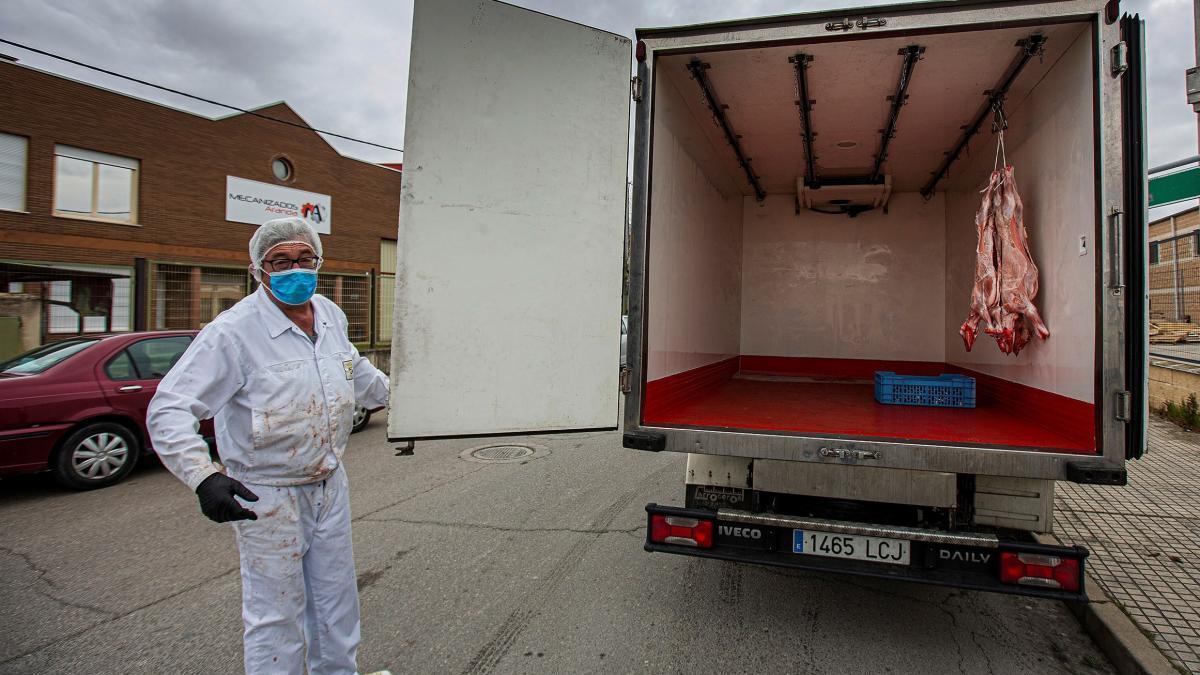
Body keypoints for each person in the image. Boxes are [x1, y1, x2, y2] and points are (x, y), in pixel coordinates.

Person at [148, 216, 390, 674]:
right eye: (280, 261)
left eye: (304, 258)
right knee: (276, 613)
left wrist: (409, 403)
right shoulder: (232, 332)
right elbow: (169, 408)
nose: (294, 269)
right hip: (267, 493)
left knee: (337, 602)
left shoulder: (329, 314)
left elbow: (356, 372)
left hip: (328, 482)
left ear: (318, 260)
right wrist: (203, 476)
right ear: (259, 269)